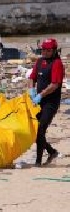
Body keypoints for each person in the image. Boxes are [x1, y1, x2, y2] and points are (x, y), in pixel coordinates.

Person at [28, 38, 64, 166]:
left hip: (51, 102)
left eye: (48, 50)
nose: (44, 52)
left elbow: (54, 85)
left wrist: (40, 95)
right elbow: (32, 78)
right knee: (35, 130)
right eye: (43, 50)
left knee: (40, 128)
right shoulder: (39, 61)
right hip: (38, 101)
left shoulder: (57, 63)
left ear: (54, 51)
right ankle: (51, 151)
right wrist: (32, 90)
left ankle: (38, 161)